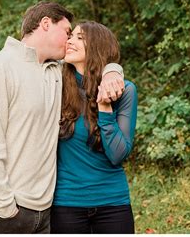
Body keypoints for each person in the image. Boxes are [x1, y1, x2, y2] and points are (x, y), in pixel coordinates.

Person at [0, 2, 125, 234]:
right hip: (0, 211)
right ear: (45, 24)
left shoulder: (57, 72)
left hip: (45, 214)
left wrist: (113, 70)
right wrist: (6, 207)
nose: (70, 40)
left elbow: (94, 60)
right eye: (67, 32)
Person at [50, 21, 138, 234]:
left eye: (80, 38)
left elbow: (118, 154)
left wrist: (105, 109)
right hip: (66, 203)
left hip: (113, 204)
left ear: (98, 46)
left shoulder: (124, 90)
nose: (70, 41)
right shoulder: (54, 86)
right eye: (71, 36)